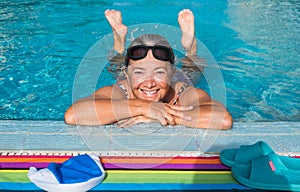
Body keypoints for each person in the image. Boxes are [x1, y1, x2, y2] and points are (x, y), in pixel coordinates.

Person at [64, 9, 232, 129]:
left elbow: (222, 119)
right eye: (139, 72)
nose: (150, 83)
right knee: (114, 68)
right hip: (126, 76)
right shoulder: (122, 89)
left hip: (179, 79)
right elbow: (73, 115)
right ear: (127, 76)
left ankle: (191, 48)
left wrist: (158, 115)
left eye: (159, 72)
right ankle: (119, 41)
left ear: (172, 73)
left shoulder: (182, 91)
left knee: (192, 72)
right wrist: (144, 108)